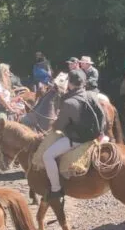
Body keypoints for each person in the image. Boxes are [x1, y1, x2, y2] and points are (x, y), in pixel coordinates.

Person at [42, 70, 105, 200]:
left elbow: (59, 126)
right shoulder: (93, 95)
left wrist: (54, 124)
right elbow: (102, 115)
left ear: (69, 84)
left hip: (77, 140)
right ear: (83, 82)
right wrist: (101, 131)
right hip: (97, 135)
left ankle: (56, 189)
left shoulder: (69, 103)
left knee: (47, 156)